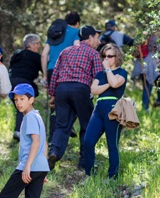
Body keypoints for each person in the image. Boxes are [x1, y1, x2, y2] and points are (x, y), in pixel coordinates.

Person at [47, 25, 103, 170]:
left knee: (62, 125)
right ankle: (84, 162)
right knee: (86, 125)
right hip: (81, 89)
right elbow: (98, 76)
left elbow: (55, 74)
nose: (99, 41)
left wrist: (52, 94)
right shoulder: (93, 53)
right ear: (90, 38)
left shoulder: (65, 51)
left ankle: (54, 152)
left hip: (62, 89)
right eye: (97, 38)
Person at [84, 43, 127, 179]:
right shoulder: (99, 74)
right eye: (104, 56)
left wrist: (108, 72)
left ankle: (112, 176)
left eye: (110, 56)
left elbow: (115, 84)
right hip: (98, 109)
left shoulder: (122, 72)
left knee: (112, 145)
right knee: (88, 142)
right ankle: (89, 174)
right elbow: (93, 90)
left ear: (117, 57)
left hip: (113, 109)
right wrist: (109, 82)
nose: (106, 59)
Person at [0, 84, 49, 198]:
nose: (18, 103)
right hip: (40, 168)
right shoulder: (37, 116)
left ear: (31, 100)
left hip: (29, 166)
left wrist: (27, 166)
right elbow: (44, 143)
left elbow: (36, 142)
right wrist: (43, 169)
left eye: (22, 99)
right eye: (16, 99)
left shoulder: (29, 117)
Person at [41, 13, 81, 142]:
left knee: (54, 104)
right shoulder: (76, 32)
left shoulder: (55, 31)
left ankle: (52, 138)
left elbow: (44, 55)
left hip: (52, 70)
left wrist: (45, 76)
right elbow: (77, 48)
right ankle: (67, 126)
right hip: (66, 71)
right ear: (77, 23)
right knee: (72, 100)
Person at [9, 34, 42, 141]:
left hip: (11, 83)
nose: (39, 46)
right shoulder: (36, 57)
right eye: (37, 43)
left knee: (20, 107)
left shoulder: (17, 54)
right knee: (24, 108)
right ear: (30, 45)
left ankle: (21, 131)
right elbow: (43, 71)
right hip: (23, 83)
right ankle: (20, 132)